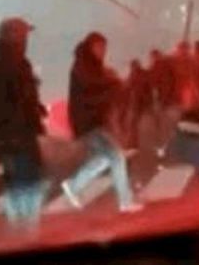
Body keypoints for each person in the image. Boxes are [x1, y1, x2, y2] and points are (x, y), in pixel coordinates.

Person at [61, 32, 142, 213]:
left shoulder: (91, 66)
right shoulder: (83, 66)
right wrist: (114, 82)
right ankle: (125, 201)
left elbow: (102, 89)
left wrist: (116, 83)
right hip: (88, 122)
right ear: (90, 47)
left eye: (104, 48)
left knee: (106, 158)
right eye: (99, 47)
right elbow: (94, 85)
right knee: (117, 156)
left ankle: (74, 185)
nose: (103, 51)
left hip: (93, 121)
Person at [0, 18, 48, 227]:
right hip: (17, 133)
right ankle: (28, 231)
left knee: (14, 181)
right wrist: (35, 118)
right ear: (13, 36)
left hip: (0, 133)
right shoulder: (13, 63)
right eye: (23, 34)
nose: (26, 39)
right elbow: (20, 98)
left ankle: (18, 227)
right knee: (29, 182)